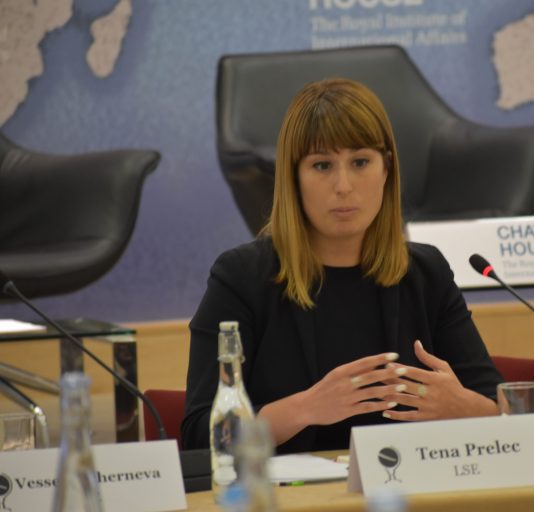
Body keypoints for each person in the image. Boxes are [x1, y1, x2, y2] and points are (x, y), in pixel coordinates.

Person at [181, 78, 501, 453]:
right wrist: (304, 409)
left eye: (360, 162)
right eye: (322, 165)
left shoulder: (426, 273)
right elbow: (200, 436)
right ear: (293, 178)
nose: (344, 185)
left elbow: (504, 413)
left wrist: (462, 407)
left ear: (386, 169)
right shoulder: (241, 278)